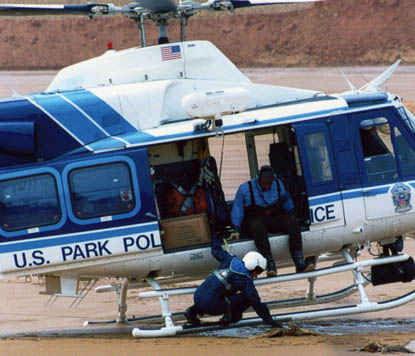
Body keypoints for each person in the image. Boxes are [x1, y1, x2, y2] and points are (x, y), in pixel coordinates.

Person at [230, 165, 314, 277]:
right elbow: (237, 209)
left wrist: (293, 213)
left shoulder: (278, 185)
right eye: (264, 183)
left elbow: (286, 200)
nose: (266, 186)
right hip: (252, 219)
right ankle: (270, 264)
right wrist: (236, 228)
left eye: (269, 184)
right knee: (258, 229)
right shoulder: (245, 188)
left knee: (293, 224)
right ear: (258, 178)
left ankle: (299, 262)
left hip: (271, 217)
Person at [185, 238, 281, 328]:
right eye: (258, 271)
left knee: (220, 290)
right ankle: (229, 318)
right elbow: (256, 302)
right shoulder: (244, 278)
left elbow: (216, 251)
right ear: (253, 267)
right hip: (210, 304)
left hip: (197, 296)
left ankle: (192, 311)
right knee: (248, 299)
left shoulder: (230, 259)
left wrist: (215, 238)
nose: (256, 275)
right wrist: (271, 322)